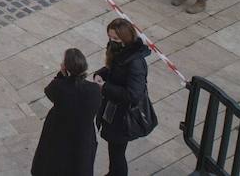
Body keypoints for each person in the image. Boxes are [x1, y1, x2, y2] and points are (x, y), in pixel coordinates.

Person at [94, 18, 153, 176]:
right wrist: (100, 74)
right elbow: (113, 68)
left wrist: (104, 87)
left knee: (117, 152)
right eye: (110, 37)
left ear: (125, 39)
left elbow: (133, 94)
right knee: (114, 151)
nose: (111, 41)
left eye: (115, 39)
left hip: (123, 115)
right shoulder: (120, 51)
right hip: (114, 110)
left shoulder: (135, 63)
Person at [31, 48, 101, 176]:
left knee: (53, 165)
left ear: (66, 67)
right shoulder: (94, 90)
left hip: (59, 133)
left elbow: (49, 91)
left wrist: (61, 75)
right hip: (82, 138)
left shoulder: (59, 87)